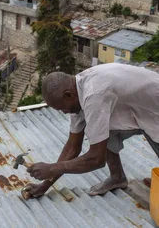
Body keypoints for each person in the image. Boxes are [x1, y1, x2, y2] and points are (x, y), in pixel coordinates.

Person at [25, 63, 159, 198]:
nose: (64, 112)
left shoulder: (94, 95)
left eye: (61, 108)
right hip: (140, 108)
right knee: (100, 132)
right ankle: (117, 178)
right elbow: (73, 147)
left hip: (155, 106)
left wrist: (51, 168)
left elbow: (96, 159)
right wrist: (44, 186)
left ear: (68, 95)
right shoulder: (76, 91)